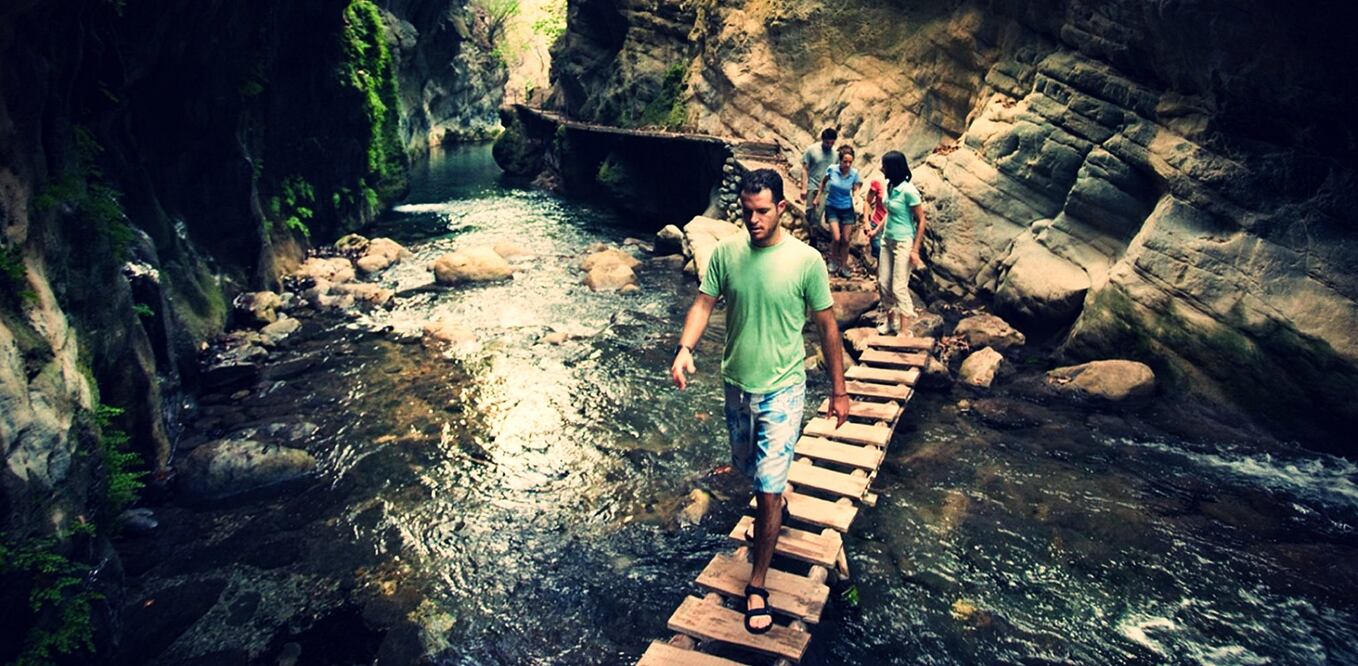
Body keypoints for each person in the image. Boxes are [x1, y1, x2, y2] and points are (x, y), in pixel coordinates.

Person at [671, 168, 850, 635]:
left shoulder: (806, 261)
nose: (754, 220)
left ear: (782, 209)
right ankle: (775, 504)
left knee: (768, 487)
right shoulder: (726, 254)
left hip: (784, 389)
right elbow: (704, 304)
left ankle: (757, 583)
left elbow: (827, 326)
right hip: (737, 385)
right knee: (749, 470)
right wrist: (685, 348)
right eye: (748, 212)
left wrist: (839, 390)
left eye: (763, 211)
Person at [874, 151, 927, 335]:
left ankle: (905, 331)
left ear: (893, 168)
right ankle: (891, 322)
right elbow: (890, 212)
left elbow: (921, 220)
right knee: (883, 283)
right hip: (887, 240)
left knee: (899, 287)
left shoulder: (908, 191)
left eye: (884, 166)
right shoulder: (890, 186)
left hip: (903, 242)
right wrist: (876, 231)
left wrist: (915, 250)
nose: (881, 169)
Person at [810, 144, 862, 278]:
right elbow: (823, 182)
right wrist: (818, 196)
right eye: (845, 161)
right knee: (837, 237)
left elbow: (856, 189)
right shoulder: (832, 170)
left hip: (847, 209)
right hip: (832, 206)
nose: (847, 165)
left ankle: (843, 265)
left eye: (850, 162)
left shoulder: (854, 174)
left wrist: (856, 197)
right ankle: (833, 260)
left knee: (846, 239)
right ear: (840, 160)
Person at [800, 128, 837, 242]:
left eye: (832, 143)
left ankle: (813, 239)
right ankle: (810, 231)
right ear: (822, 140)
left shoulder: (835, 154)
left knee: (818, 214)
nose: (829, 145)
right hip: (812, 185)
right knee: (809, 212)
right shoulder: (812, 150)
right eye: (827, 142)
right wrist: (804, 187)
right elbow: (805, 169)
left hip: (826, 189)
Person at [863, 178, 887, 266]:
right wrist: (866, 222)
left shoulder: (901, 186)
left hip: (892, 227)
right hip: (876, 222)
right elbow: (867, 201)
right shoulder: (878, 182)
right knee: (880, 256)